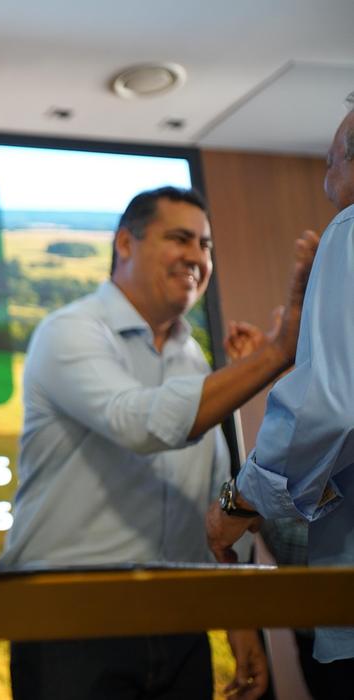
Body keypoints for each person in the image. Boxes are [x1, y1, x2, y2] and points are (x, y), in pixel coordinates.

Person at [0, 185, 317, 700]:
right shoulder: (70, 331)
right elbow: (139, 423)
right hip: (69, 621)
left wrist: (239, 621)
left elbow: (210, 495)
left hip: (176, 619)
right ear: (125, 243)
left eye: (205, 245)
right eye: (180, 239)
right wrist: (277, 352)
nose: (196, 256)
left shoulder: (192, 359)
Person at [207, 94, 354, 686]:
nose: (325, 180)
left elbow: (330, 411)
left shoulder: (349, 228)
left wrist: (237, 504)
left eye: (331, 161)